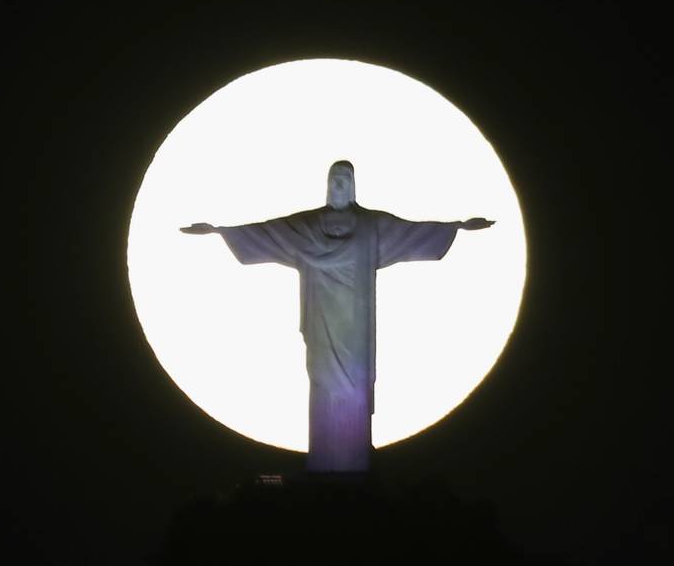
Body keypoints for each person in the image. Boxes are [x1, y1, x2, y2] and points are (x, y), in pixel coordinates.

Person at [181, 160, 494, 472]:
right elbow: (270, 233)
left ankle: (355, 459)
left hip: (355, 330)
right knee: (323, 386)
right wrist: (220, 231)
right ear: (327, 185)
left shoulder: (372, 226)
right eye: (334, 180)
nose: (339, 185)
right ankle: (324, 459)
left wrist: (456, 226)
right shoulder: (307, 226)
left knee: (353, 388)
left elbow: (409, 232)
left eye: (345, 180)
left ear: (354, 186)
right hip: (321, 325)